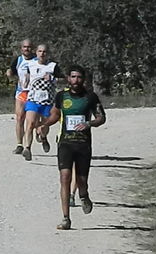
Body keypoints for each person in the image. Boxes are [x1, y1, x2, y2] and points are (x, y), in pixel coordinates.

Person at [39, 65, 106, 230]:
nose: (76, 80)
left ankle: (84, 195)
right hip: (65, 143)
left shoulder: (90, 97)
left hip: (83, 144)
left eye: (79, 77)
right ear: (68, 78)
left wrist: (88, 123)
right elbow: (55, 114)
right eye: (73, 77)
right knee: (65, 179)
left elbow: (101, 117)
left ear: (84, 79)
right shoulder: (62, 96)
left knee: (81, 181)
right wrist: (45, 124)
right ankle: (65, 218)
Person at [22, 44, 63, 161]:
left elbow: (64, 78)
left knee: (44, 126)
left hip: (47, 101)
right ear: (36, 52)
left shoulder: (53, 66)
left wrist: (53, 79)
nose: (42, 54)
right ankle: (27, 148)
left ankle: (43, 137)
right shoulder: (30, 65)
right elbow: (27, 76)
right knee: (30, 124)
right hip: (33, 99)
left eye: (44, 51)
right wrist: (25, 82)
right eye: (40, 51)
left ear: (48, 53)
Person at [6, 39, 35, 155]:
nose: (26, 49)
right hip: (22, 92)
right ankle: (20, 145)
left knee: (32, 121)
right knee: (19, 118)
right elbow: (11, 71)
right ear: (21, 48)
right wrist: (9, 74)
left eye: (28, 47)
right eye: (24, 47)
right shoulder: (18, 60)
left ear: (32, 48)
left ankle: (38, 138)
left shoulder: (37, 60)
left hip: (34, 93)